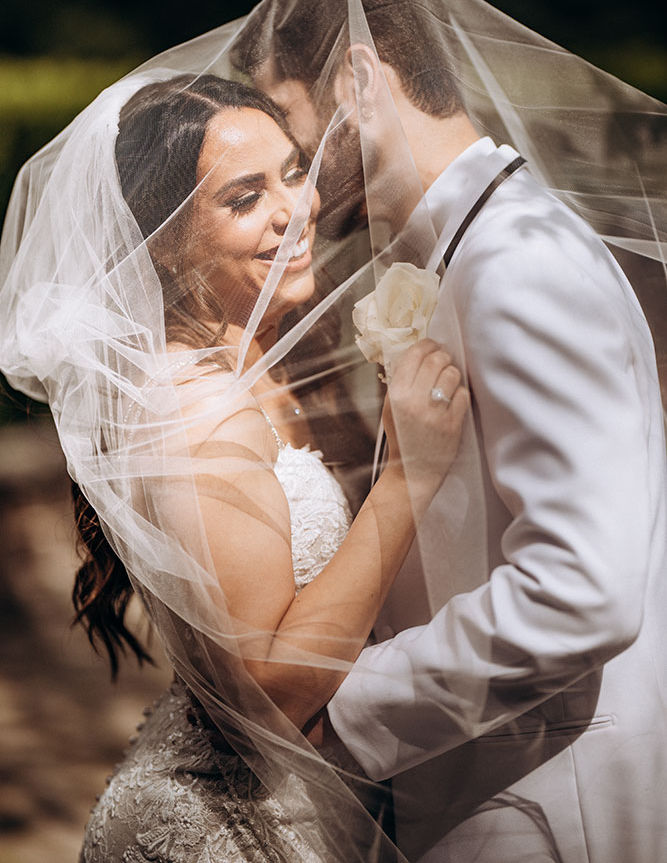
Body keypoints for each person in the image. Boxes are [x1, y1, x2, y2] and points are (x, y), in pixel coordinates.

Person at [231, 0, 667, 861]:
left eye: (289, 118)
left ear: (356, 79)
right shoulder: (466, 250)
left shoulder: (516, 265)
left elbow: (582, 589)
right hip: (489, 775)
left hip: (550, 802)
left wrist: (348, 710)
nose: (295, 180)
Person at [0, 71, 468, 863]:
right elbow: (272, 694)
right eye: (244, 198)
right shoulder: (195, 411)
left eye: (293, 172)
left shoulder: (256, 356)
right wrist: (408, 480)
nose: (296, 210)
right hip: (227, 830)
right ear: (164, 239)